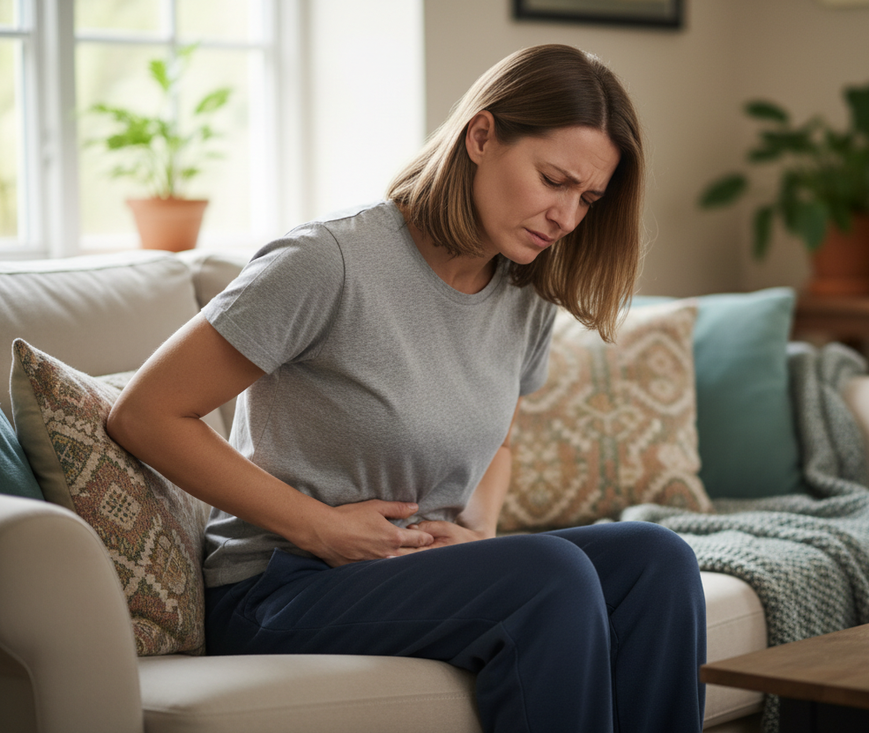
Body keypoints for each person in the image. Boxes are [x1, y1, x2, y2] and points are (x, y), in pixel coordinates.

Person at [107, 44, 706, 733]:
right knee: (551, 574)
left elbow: (502, 437)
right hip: (282, 584)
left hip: (417, 570)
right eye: (553, 180)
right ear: (481, 137)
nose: (567, 217)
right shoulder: (329, 262)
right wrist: (321, 527)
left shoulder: (524, 290)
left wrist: (478, 530)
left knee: (657, 559)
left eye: (588, 198)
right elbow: (146, 413)